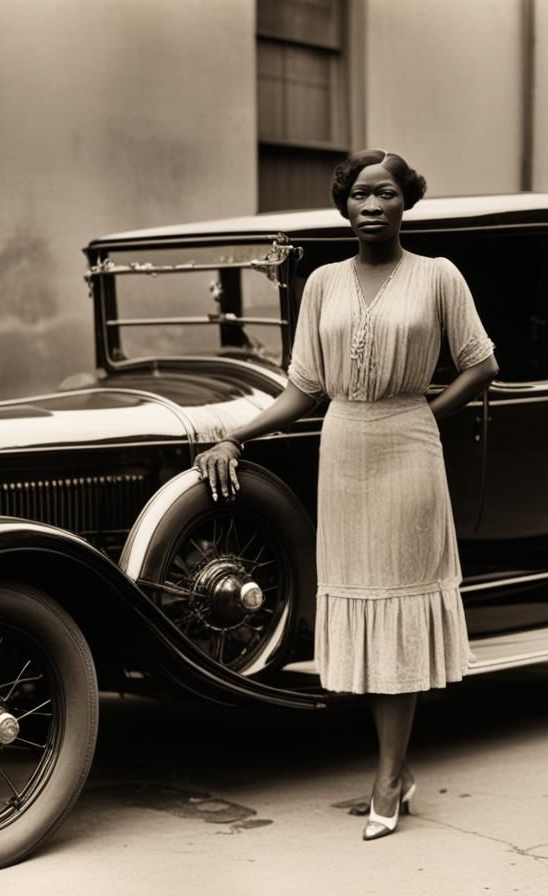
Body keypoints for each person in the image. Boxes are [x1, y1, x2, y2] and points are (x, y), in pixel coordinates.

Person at [193, 149, 498, 841]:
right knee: (363, 602)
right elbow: (305, 386)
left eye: (385, 194)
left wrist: (427, 415)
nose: (370, 206)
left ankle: (390, 775)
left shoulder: (437, 277)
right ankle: (397, 766)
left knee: (397, 601)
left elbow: (482, 364)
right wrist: (237, 437)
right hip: (345, 451)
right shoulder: (324, 283)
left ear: (405, 202)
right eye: (359, 194)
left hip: (407, 452)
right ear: (345, 204)